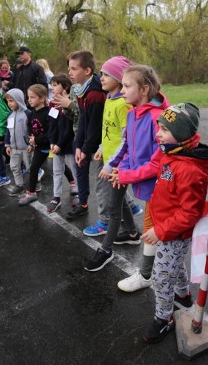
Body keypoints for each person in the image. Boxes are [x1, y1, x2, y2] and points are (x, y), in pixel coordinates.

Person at [139, 102, 208, 344]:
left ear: (181, 135)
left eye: (164, 130)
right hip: (167, 229)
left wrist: (160, 231)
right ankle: (183, 294)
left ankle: (164, 318)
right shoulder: (171, 153)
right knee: (175, 264)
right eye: (159, 127)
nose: (158, 133)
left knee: (161, 277)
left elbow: (189, 213)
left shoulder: (189, 169)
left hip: (172, 233)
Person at [108, 65, 170, 291]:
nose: (121, 90)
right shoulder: (132, 113)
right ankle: (157, 271)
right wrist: (121, 170)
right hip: (145, 183)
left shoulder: (158, 118)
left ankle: (146, 275)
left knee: (153, 229)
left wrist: (127, 174)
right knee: (155, 228)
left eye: (126, 86)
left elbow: (157, 163)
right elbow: (128, 149)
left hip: (160, 186)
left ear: (144, 89)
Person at [82, 56, 134, 271]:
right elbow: (109, 131)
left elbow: (126, 138)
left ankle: (106, 250)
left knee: (114, 209)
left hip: (118, 165)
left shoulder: (123, 104)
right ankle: (132, 233)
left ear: (119, 79)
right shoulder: (109, 98)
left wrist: (112, 163)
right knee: (119, 201)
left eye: (105, 74)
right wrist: (102, 149)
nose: (100, 78)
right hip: (109, 160)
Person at [65, 51, 110, 229]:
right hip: (88, 141)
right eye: (69, 68)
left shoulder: (95, 94)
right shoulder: (80, 89)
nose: (69, 72)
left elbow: (94, 126)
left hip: (101, 144)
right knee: (81, 167)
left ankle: (110, 218)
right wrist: (78, 146)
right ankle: (83, 204)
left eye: (74, 69)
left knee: (105, 183)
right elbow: (83, 119)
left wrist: (85, 149)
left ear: (88, 70)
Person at [46, 73, 79, 213]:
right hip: (57, 144)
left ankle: (79, 194)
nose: (52, 88)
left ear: (65, 87)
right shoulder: (52, 103)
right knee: (57, 171)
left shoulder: (69, 102)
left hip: (68, 143)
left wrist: (59, 143)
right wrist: (52, 142)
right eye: (51, 85)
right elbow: (52, 125)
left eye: (55, 85)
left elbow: (68, 128)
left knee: (76, 169)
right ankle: (56, 197)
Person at [18, 84, 51, 205]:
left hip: (51, 146)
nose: (29, 100)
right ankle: (31, 193)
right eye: (28, 97)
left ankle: (73, 183)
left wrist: (37, 140)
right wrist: (32, 143)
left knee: (62, 167)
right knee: (33, 169)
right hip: (39, 147)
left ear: (42, 98)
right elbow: (31, 129)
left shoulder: (48, 113)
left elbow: (50, 133)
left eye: (32, 97)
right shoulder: (32, 113)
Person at [4, 88, 32, 197]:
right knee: (14, 167)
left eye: (11, 100)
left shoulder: (28, 113)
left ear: (19, 100)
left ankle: (35, 184)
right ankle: (19, 185)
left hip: (26, 148)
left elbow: (32, 131)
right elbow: (8, 131)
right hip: (14, 148)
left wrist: (31, 144)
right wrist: (7, 145)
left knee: (30, 167)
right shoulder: (10, 115)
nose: (9, 103)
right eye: (7, 101)